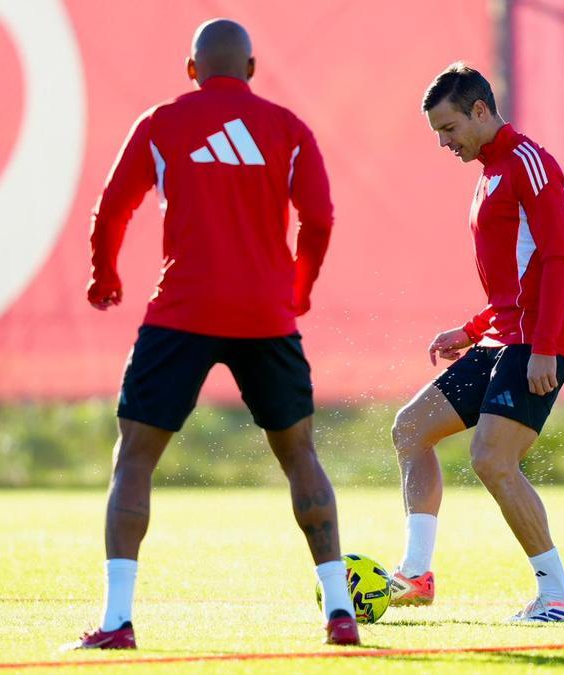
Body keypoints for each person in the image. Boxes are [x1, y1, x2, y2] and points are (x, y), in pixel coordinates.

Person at [66, 18, 360, 648]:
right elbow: (320, 219)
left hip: (182, 313)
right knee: (300, 457)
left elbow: (112, 207)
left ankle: (118, 621)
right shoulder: (288, 128)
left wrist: (104, 275)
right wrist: (300, 289)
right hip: (266, 317)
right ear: (251, 69)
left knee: (135, 459)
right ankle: (340, 613)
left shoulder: (161, 122)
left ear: (191, 69)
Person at [388, 63, 564, 623]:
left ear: (480, 110)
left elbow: (558, 259)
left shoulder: (528, 161)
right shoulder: (489, 171)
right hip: (504, 338)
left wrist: (546, 345)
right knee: (410, 428)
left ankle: (558, 597)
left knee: (492, 460)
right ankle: (416, 574)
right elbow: (514, 280)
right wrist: (473, 330)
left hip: (536, 341)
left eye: (449, 129)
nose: (444, 143)